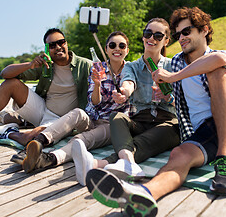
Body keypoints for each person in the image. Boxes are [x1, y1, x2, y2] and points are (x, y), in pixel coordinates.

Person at [85, 7, 226, 217]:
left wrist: (173, 78)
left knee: (217, 73)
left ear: (204, 30)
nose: (181, 37)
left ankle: (224, 158)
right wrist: (167, 96)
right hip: (205, 132)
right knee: (178, 154)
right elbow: (167, 95)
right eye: (178, 34)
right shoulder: (176, 62)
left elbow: (218, 61)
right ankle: (143, 195)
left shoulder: (215, 56)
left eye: (187, 31)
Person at [0, 28, 92, 154]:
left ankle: (4, 133)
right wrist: (31, 64)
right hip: (42, 110)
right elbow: (5, 73)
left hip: (64, 119)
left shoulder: (85, 65)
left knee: (33, 138)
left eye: (61, 42)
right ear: (47, 49)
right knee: (10, 84)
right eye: (52, 45)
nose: (58, 47)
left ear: (66, 43)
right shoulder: (46, 65)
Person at [74, 18, 180, 187]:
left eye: (158, 35)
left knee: (144, 140)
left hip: (167, 120)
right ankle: (128, 165)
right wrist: (124, 93)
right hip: (141, 120)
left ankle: (98, 164)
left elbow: (183, 99)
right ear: (143, 37)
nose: (151, 38)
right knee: (117, 117)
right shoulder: (132, 66)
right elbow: (128, 82)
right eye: (148, 33)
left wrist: (169, 97)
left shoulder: (174, 65)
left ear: (166, 41)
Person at [20, 31, 133, 175]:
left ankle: (48, 159)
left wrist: (124, 92)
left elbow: (130, 84)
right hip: (92, 118)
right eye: (112, 45)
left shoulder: (130, 69)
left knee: (81, 139)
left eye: (121, 46)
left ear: (127, 50)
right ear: (106, 49)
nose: (117, 49)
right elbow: (95, 102)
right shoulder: (98, 68)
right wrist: (97, 84)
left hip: (113, 124)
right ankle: (37, 143)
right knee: (77, 113)